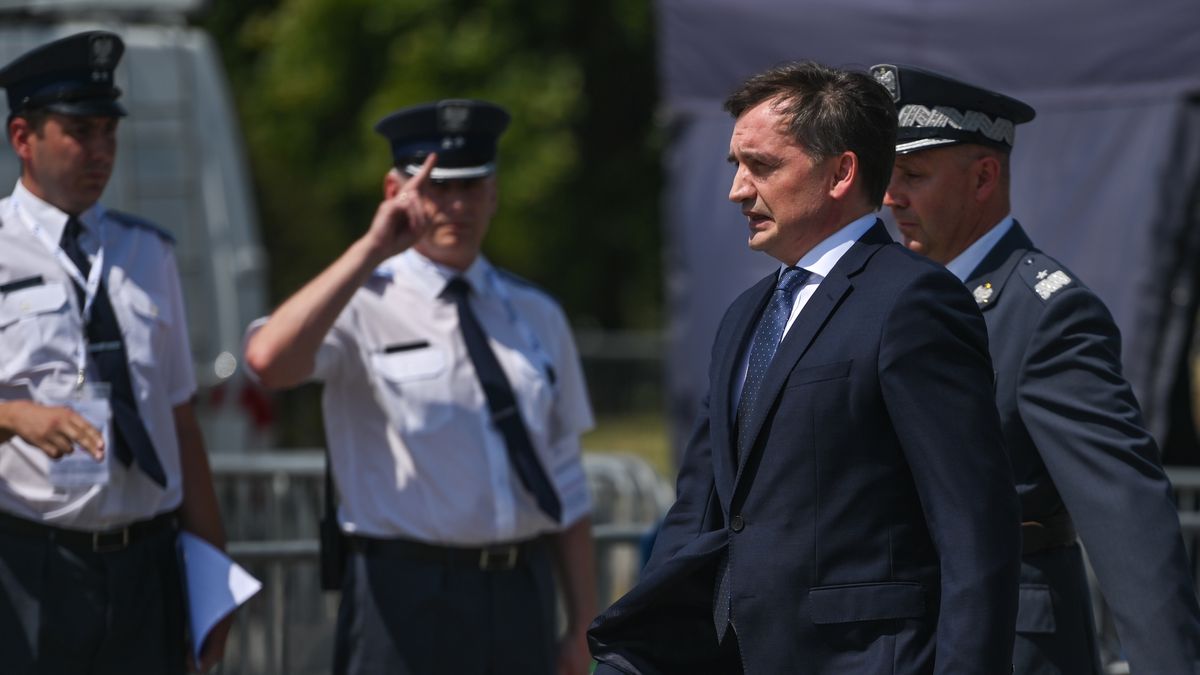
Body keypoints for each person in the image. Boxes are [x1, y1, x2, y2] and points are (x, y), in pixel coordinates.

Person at [588, 61, 1021, 675]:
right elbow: (698, 511)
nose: (738, 189)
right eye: (735, 166)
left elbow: (974, 529)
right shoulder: (746, 316)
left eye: (762, 166)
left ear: (842, 172)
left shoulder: (913, 302)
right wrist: (635, 656)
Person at [243, 98, 597, 675]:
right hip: (405, 598)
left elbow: (566, 479)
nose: (456, 206)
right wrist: (371, 249)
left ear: (495, 192)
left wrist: (583, 619)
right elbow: (268, 362)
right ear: (395, 191)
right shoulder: (358, 304)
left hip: (519, 594)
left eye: (472, 186)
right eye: (437, 188)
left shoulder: (536, 314)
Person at [875, 62, 1200, 674]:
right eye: (888, 177)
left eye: (913, 175)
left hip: (1014, 647)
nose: (892, 197)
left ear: (984, 177)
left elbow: (1125, 513)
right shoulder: (896, 298)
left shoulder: (1046, 313)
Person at [0, 31, 229, 674]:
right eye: (79, 132)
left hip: (145, 567)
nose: (101, 151)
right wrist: (14, 417)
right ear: (24, 137)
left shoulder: (147, 253)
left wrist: (211, 574)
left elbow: (181, 426)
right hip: (32, 566)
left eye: (109, 131)